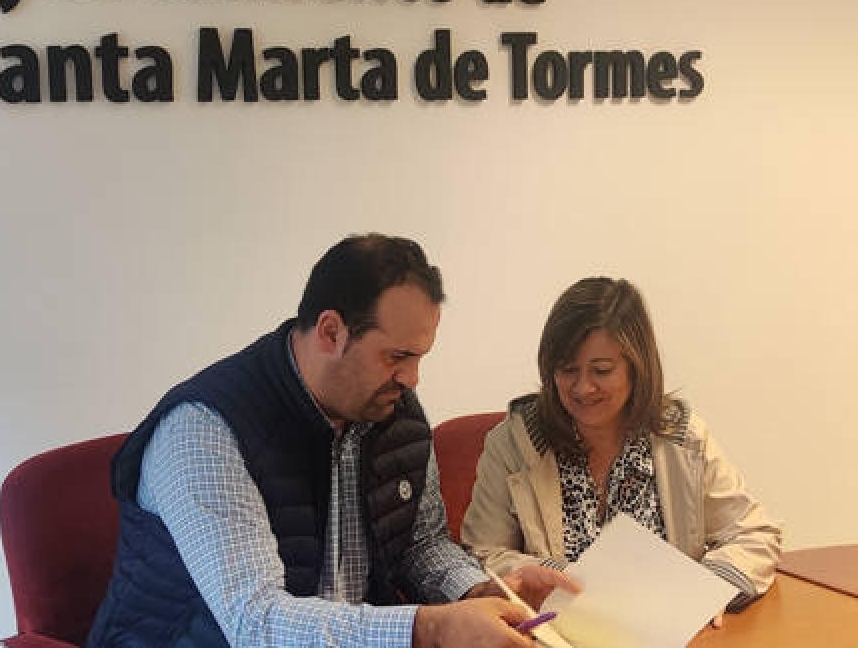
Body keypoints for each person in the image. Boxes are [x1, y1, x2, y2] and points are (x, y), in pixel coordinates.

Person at [88, 234, 575, 648]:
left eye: (420, 356)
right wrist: (429, 629)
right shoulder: (205, 430)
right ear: (330, 331)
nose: (412, 378)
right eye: (396, 356)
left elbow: (418, 545)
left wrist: (483, 595)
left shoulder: (393, 413)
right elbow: (255, 623)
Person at [462, 277, 782, 624]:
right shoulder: (514, 442)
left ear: (636, 366)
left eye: (601, 370)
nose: (583, 388)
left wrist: (707, 591)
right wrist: (547, 575)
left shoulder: (681, 437)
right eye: (567, 370)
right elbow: (479, 554)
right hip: (558, 632)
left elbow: (754, 533)